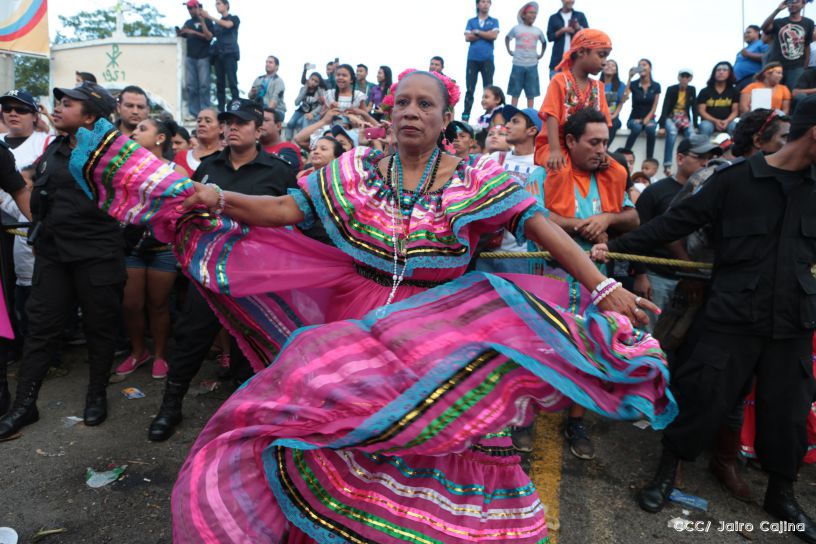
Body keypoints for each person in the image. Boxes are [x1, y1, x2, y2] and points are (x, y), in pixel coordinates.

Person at [73, 68, 673, 544]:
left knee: (440, 443)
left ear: (445, 119)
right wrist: (215, 196)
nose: (410, 111)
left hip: (440, 336)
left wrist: (602, 287)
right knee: (325, 437)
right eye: (401, 102)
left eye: (424, 103)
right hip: (350, 329)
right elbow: (285, 210)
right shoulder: (352, 171)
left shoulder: (477, 181)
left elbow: (544, 228)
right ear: (388, 114)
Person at [592, 95, 816, 544]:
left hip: (792, 322)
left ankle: (781, 493)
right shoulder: (737, 181)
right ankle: (665, 474)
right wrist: (613, 248)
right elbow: (676, 223)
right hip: (731, 317)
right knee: (700, 397)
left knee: (787, 414)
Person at [139, 98, 303, 442]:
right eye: (227, 122)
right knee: (190, 338)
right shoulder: (209, 167)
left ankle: (244, 417)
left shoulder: (278, 171)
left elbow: (295, 220)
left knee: (251, 348)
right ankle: (170, 406)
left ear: (259, 130)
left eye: (240, 123)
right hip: (210, 272)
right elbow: (187, 209)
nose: (231, 128)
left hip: (256, 278)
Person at [0, 82, 123, 439]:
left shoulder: (113, 153)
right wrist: (39, 229)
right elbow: (40, 194)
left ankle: (96, 395)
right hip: (54, 255)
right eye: (59, 102)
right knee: (40, 329)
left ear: (91, 116)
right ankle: (25, 405)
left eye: (68, 104)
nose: (57, 108)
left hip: (97, 257)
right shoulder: (53, 148)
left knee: (99, 329)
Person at [527, 108, 637, 460]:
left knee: (591, 351)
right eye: (594, 142)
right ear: (570, 141)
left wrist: (607, 217)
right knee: (542, 348)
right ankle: (526, 418)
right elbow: (534, 218)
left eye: (605, 142)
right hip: (549, 280)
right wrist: (582, 226)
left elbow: (633, 217)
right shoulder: (542, 173)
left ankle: (576, 421)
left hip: (595, 289)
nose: (602, 149)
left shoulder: (612, 176)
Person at [116, 118, 187, 380]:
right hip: (131, 247)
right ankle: (137, 352)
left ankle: (160, 355)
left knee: (159, 305)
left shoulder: (176, 171)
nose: (134, 132)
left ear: (160, 139)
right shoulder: (125, 169)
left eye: (142, 129)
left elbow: (184, 209)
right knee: (131, 304)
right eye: (135, 129)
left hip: (162, 250)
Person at [629, 135, 720, 332]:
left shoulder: (714, 191)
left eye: (709, 158)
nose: (705, 163)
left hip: (700, 280)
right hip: (658, 277)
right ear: (680, 158)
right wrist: (641, 274)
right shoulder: (655, 192)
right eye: (699, 157)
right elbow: (637, 234)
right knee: (648, 336)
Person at [762, 0, 815, 89]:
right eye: (789, 2)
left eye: (795, 2)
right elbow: (764, 28)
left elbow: (807, 45)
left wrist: (805, 65)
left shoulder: (809, 23)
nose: (791, 4)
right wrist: (777, 10)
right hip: (776, 65)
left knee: (794, 93)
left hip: (797, 66)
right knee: (771, 92)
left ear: (803, 4)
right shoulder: (779, 22)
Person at [463, 0, 500, 121]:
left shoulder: (494, 21)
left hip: (487, 59)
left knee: (489, 89)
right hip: (472, 59)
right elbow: (468, 37)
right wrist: (486, 33)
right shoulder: (471, 21)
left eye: (488, 2)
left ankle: (489, 117)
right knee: (470, 89)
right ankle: (465, 117)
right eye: (483, 1)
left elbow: (493, 36)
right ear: (478, 4)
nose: (485, 4)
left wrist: (477, 32)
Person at [505, 1, 547, 108]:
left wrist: (541, 54)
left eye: (535, 13)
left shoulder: (537, 31)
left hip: (532, 65)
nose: (533, 15)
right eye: (530, 13)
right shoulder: (516, 28)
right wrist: (509, 51)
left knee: (531, 93)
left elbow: (544, 42)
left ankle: (530, 113)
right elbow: (507, 38)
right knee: (515, 91)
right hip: (518, 64)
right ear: (523, 15)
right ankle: (513, 110)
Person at [178, 0, 214, 120]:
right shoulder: (188, 22)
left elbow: (209, 37)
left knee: (204, 85)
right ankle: (194, 113)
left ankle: (205, 111)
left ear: (198, 7)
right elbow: (182, 35)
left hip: (203, 57)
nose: (189, 10)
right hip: (190, 58)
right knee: (191, 86)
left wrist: (194, 29)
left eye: (192, 8)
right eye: (188, 8)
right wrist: (180, 32)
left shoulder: (208, 21)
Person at [202, 0, 240, 112]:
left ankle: (236, 106)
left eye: (219, 4)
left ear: (226, 5)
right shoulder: (217, 23)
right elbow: (209, 36)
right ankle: (221, 109)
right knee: (220, 83)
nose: (217, 6)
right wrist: (203, 20)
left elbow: (228, 25)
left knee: (232, 81)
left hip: (230, 53)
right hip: (218, 54)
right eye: (216, 4)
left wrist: (209, 16)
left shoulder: (234, 18)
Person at [659, 69, 697, 175]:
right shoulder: (671, 89)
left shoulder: (692, 89)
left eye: (687, 77)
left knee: (692, 136)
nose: (684, 79)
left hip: (684, 118)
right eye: (683, 76)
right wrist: (662, 125)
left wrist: (696, 124)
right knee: (671, 132)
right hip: (671, 116)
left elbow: (694, 107)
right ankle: (667, 165)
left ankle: (690, 163)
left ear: (690, 79)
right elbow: (665, 106)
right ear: (679, 78)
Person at [625, 59, 661, 159]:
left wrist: (646, 119)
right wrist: (629, 78)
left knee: (650, 129)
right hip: (634, 119)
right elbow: (624, 97)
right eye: (639, 65)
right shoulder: (634, 84)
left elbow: (655, 105)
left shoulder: (656, 86)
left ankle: (649, 159)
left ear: (650, 68)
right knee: (636, 128)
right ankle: (625, 153)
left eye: (644, 65)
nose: (642, 67)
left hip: (649, 119)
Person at [546, 0, 589, 79]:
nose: (571, 1)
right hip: (557, 61)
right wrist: (562, 30)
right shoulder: (553, 18)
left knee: (575, 90)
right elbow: (550, 37)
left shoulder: (580, 15)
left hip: (576, 61)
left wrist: (578, 28)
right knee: (556, 89)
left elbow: (588, 35)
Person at [173, 107, 222, 176]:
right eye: (199, 121)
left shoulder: (228, 157)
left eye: (208, 121)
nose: (201, 124)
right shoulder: (181, 156)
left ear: (221, 128)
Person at [697, 61, 741, 136]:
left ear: (729, 73)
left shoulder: (734, 91)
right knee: (705, 127)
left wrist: (727, 121)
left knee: (735, 127)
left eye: (724, 70)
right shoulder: (705, 91)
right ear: (714, 73)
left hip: (728, 121)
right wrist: (715, 121)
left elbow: (735, 111)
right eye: (718, 70)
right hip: (708, 121)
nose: (721, 72)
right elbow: (701, 111)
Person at [287, 72, 327, 137]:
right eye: (312, 79)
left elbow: (321, 106)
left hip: (311, 112)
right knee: (290, 123)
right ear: (309, 79)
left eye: (316, 81)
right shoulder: (303, 89)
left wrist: (313, 113)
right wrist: (305, 89)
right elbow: (296, 103)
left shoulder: (320, 91)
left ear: (318, 83)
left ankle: (302, 138)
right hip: (301, 110)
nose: (313, 82)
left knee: (300, 123)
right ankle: (288, 141)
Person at [600, 59, 629, 143]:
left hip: (613, 116)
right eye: (607, 64)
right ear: (602, 68)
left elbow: (621, 102)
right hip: (599, 115)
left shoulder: (620, 85)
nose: (609, 66)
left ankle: (605, 148)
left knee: (616, 124)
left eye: (613, 65)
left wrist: (614, 115)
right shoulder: (597, 84)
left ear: (616, 71)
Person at [248, 55, 286, 119]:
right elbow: (250, 96)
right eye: (266, 62)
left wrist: (265, 114)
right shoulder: (259, 79)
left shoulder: (279, 81)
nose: (267, 64)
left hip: (276, 111)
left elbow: (274, 101)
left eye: (270, 62)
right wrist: (253, 92)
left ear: (276, 66)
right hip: (259, 108)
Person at [735, 25, 770, 90]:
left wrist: (749, 54)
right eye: (744, 33)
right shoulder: (743, 50)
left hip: (752, 79)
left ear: (757, 32)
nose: (746, 35)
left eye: (748, 32)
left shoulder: (762, 43)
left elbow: (768, 56)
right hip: (738, 82)